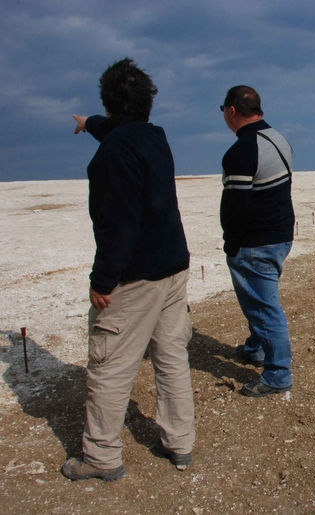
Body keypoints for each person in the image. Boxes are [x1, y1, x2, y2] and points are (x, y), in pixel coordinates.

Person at [63, 58, 195, 481]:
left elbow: (117, 226)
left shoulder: (114, 155)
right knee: (172, 358)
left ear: (109, 101)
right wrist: (89, 123)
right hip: (173, 269)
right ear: (147, 103)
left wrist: (102, 282)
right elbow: (119, 128)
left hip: (135, 278)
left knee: (109, 365)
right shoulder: (153, 137)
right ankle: (180, 444)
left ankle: (101, 458)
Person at [220, 85, 295, 398]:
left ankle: (278, 374)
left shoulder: (241, 151)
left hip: (256, 243)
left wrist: (231, 244)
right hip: (281, 235)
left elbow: (236, 208)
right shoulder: (278, 138)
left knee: (265, 307)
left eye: (222, 109)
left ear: (232, 111)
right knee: (260, 299)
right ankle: (255, 348)